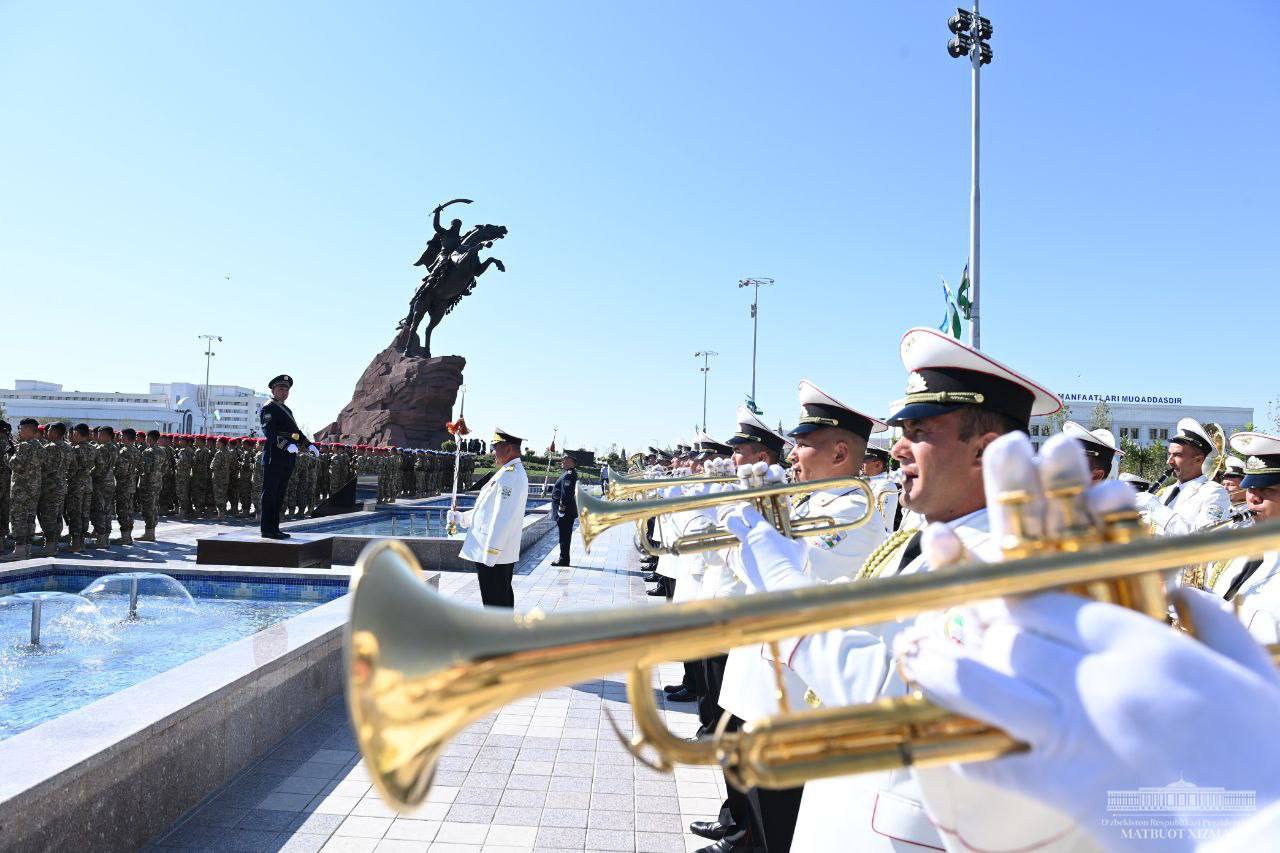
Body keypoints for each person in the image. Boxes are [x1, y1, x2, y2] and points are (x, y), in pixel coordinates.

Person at [726, 327, 1069, 852]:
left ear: (988, 451)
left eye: (921, 430)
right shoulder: (923, 541)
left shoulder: (1011, 560)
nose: (899, 446)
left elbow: (900, 698)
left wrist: (783, 589)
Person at [448, 428, 529, 607]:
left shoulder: (511, 476)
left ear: (508, 449)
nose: (491, 451)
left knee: (496, 605)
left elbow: (503, 518)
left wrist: (490, 554)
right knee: (499, 603)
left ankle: (499, 635)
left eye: (494, 447)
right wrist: (460, 517)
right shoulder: (506, 472)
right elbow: (485, 512)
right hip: (494, 555)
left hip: (494, 555)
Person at [1135, 416, 1231, 534]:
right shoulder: (1166, 492)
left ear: (1198, 459)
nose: (1169, 461)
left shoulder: (1214, 492)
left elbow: (1203, 537)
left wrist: (1155, 507)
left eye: (1177, 455)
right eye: (1169, 454)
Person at [259, 375, 318, 539]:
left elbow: (295, 433)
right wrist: (286, 445)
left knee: (279, 494)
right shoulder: (268, 408)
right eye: (281, 388)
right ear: (273, 390)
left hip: (287, 457)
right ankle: (267, 529)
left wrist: (308, 444)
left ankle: (275, 528)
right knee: (270, 493)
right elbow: (269, 432)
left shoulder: (286, 410)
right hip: (274, 456)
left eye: (286, 389)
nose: (284, 392)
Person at [5, 419, 42, 561]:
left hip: (21, 489)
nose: (19, 431)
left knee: (18, 518)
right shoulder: (39, 445)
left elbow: (15, 465)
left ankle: (19, 550)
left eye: (21, 429)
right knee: (29, 518)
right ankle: (26, 549)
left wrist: (8, 455)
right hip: (34, 488)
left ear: (28, 430)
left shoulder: (25, 446)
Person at [36, 421, 71, 556]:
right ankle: (54, 543)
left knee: (48, 516)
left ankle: (50, 546)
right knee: (57, 515)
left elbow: (42, 466)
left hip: (49, 486)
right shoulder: (68, 447)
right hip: (61, 485)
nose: (47, 433)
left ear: (56, 433)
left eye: (49, 430)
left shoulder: (50, 447)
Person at [65, 424, 95, 552]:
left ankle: (76, 543)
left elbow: (71, 469)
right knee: (84, 513)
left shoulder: (75, 449)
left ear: (77, 433)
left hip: (76, 484)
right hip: (88, 483)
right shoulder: (93, 449)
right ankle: (81, 542)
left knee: (75, 513)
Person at [550, 450, 579, 566]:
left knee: (564, 536)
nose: (563, 461)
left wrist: (561, 510)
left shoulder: (569, 474)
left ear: (572, 462)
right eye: (563, 459)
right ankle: (564, 558)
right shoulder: (567, 473)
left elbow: (566, 494)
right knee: (565, 535)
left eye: (565, 459)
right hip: (567, 511)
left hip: (565, 512)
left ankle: (563, 559)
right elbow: (561, 489)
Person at [91, 426, 117, 548]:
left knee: (100, 511)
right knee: (107, 510)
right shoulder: (114, 447)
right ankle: (105, 538)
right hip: (110, 481)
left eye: (100, 435)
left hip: (100, 482)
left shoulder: (102, 448)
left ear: (107, 436)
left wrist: (90, 474)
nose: (98, 437)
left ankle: (101, 540)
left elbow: (99, 467)